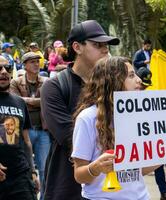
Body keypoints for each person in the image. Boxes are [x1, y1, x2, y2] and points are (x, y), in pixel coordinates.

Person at [71, 56, 166, 200]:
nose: (139, 80)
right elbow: (79, 174)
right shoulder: (87, 118)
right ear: (113, 81)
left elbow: (137, 171)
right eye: (131, 75)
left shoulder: (138, 116)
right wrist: (95, 168)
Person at [40, 20, 120, 200]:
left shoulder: (114, 88)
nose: (105, 49)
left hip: (111, 187)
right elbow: (69, 137)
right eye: (98, 44)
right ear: (77, 47)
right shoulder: (54, 87)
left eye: (106, 45)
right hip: (67, 185)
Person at [10, 52, 50, 198]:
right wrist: (37, 102)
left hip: (43, 131)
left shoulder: (46, 81)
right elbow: (15, 101)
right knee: (25, 166)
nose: (36, 64)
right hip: (24, 130)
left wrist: (28, 101)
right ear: (25, 65)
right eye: (32, 62)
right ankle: (28, 194)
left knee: (45, 168)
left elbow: (47, 101)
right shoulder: (16, 82)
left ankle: (45, 196)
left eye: (37, 61)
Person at [0, 55, 39, 200]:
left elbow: (26, 141)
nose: (4, 71)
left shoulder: (19, 102)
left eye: (7, 68)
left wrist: (33, 173)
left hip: (19, 177)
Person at [136, 66, 166, 200]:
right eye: (142, 85)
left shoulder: (149, 98)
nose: (144, 88)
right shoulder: (124, 97)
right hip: (133, 139)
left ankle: (164, 193)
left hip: (148, 136)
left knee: (159, 164)